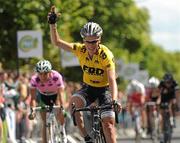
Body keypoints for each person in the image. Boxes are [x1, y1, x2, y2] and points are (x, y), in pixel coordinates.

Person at [48, 6, 121, 143]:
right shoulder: (80, 50)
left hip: (105, 90)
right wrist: (53, 25)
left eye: (94, 41)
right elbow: (57, 42)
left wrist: (115, 99)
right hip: (88, 88)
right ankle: (87, 138)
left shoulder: (106, 55)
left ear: (99, 40)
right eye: (88, 41)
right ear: (84, 40)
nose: (91, 45)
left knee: (109, 125)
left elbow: (112, 80)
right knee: (74, 104)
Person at [28, 60, 67, 143]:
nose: (42, 76)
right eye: (40, 74)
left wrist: (62, 108)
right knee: (44, 122)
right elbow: (33, 98)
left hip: (56, 95)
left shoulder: (56, 76)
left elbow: (61, 94)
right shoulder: (34, 79)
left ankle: (62, 128)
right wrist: (32, 110)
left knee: (60, 109)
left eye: (45, 73)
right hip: (43, 96)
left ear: (50, 72)